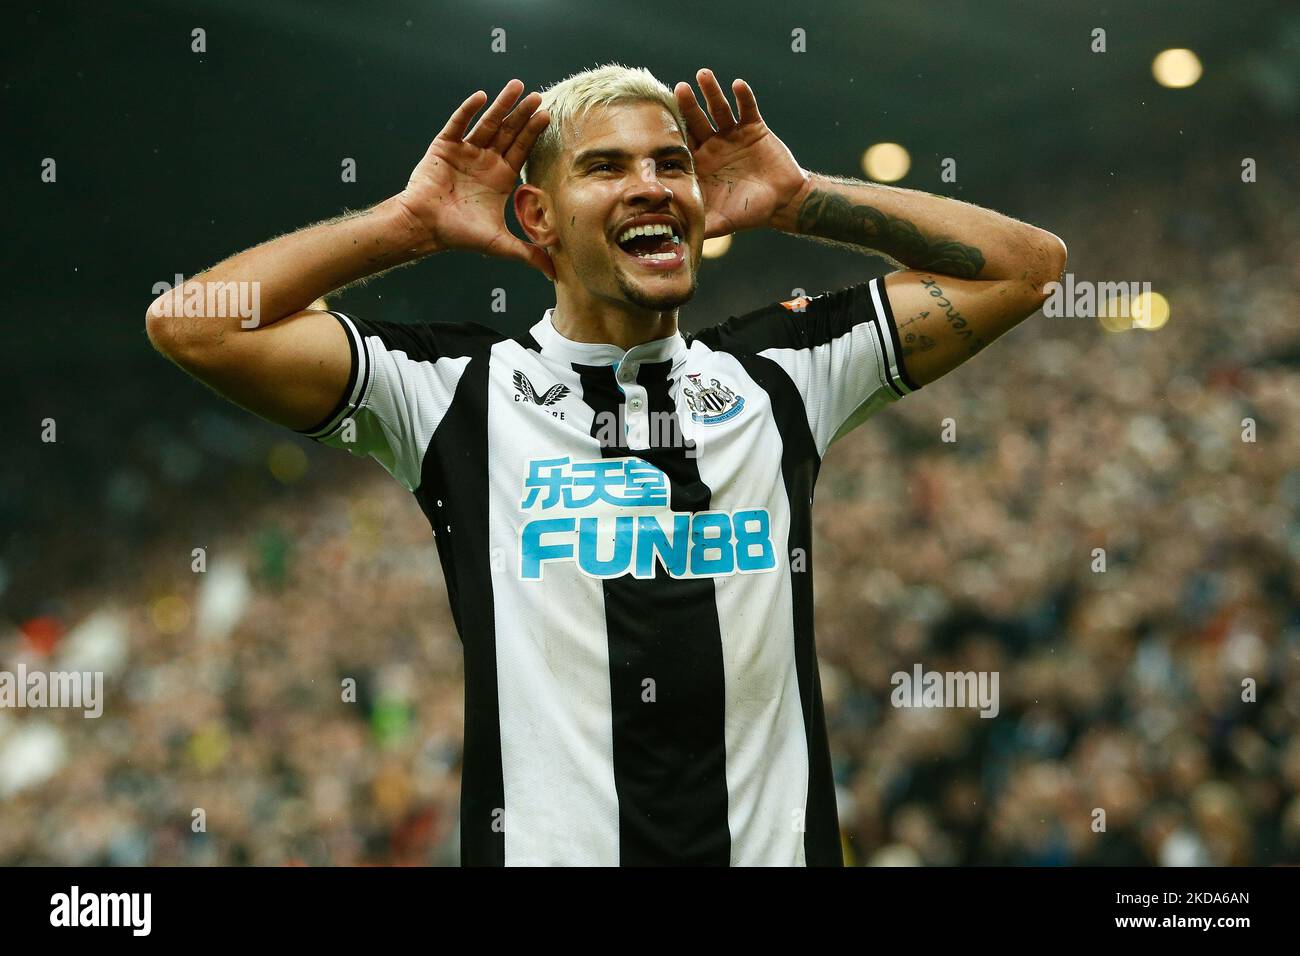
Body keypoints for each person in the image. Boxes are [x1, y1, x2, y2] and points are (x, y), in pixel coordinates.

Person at [146, 62, 1066, 866]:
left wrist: (801, 199)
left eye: (672, 164)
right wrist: (407, 223)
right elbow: (194, 324)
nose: (652, 185)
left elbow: (1026, 268)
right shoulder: (451, 391)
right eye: (607, 166)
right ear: (537, 218)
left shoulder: (783, 373)